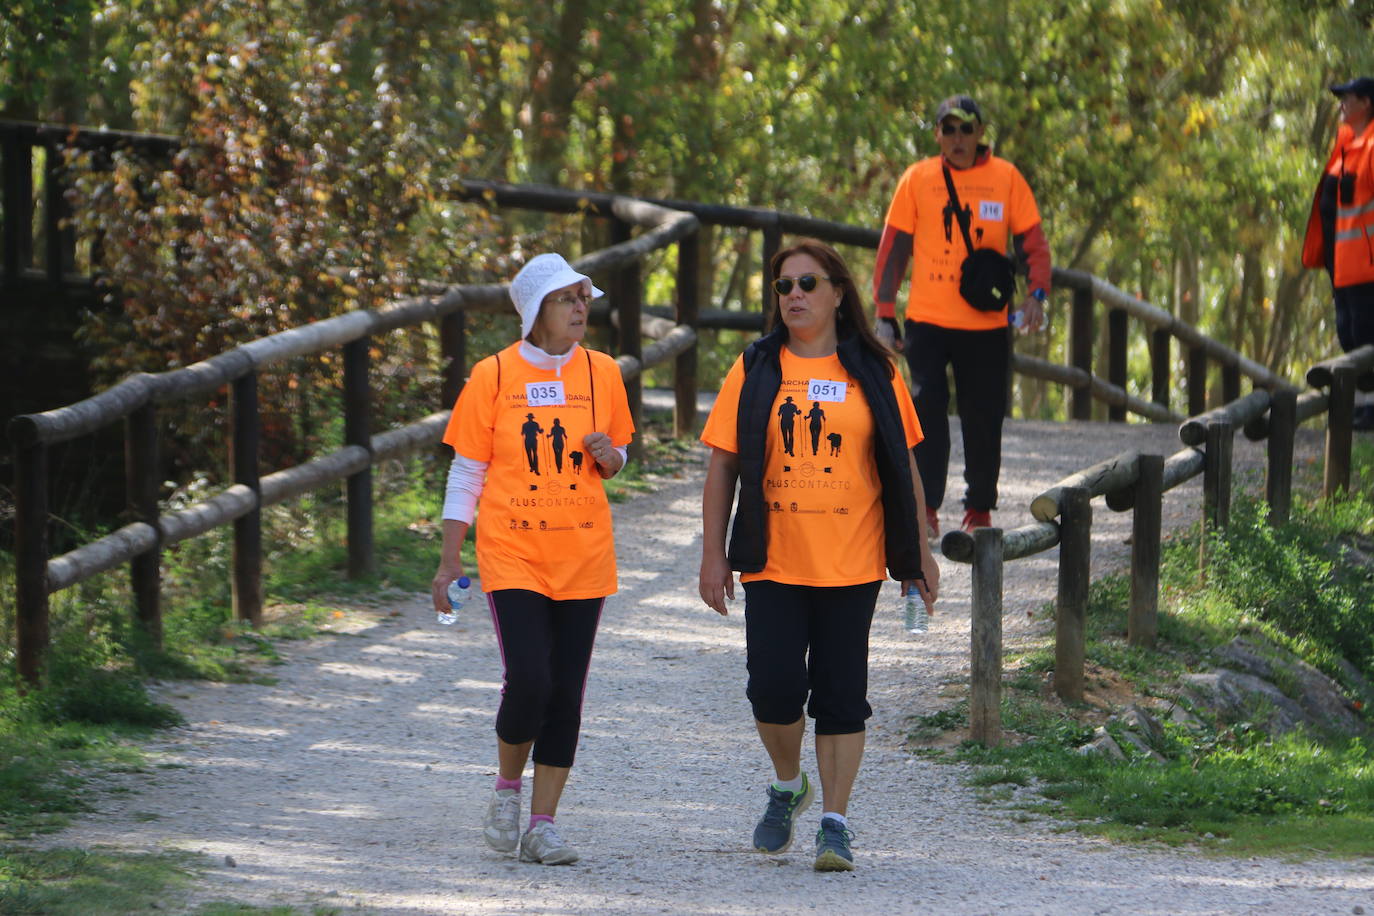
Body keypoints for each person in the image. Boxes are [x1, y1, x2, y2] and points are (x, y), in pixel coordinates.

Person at [698, 238, 939, 872]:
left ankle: (835, 823)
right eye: (784, 287)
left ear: (838, 292)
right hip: (772, 559)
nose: (796, 296)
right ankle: (787, 784)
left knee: (842, 695)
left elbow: (903, 465)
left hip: (853, 563)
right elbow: (723, 466)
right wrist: (712, 555)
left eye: (808, 284)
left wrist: (919, 553)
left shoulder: (876, 371)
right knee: (772, 691)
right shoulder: (754, 367)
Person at [432, 252, 634, 865]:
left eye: (583, 297)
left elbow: (618, 457)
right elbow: (468, 468)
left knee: (567, 692)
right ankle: (506, 789)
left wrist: (610, 455)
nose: (580, 308)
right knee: (530, 679)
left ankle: (543, 824)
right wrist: (449, 560)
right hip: (513, 549)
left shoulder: (604, 373)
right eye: (565, 298)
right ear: (535, 311)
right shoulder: (493, 375)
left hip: (583, 553)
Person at [872, 94, 1053, 536]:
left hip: (986, 325)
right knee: (926, 411)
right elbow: (894, 249)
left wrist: (1037, 296)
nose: (957, 138)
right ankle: (926, 507)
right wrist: (883, 312)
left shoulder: (1006, 178)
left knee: (983, 416)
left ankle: (979, 510)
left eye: (966, 129)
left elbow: (1033, 245)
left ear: (980, 133)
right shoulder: (917, 179)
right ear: (937, 134)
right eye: (948, 129)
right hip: (927, 321)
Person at [1303, 76, 1374, 430]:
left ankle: (1371, 407)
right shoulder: (1346, 144)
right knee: (1349, 334)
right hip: (1342, 262)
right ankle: (1366, 405)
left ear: (1367, 104)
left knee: (1366, 335)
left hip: (1367, 263)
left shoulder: (1373, 146)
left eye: (1348, 98)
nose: (1341, 104)